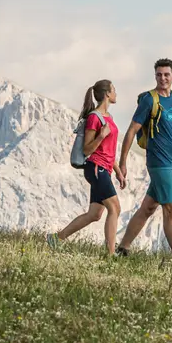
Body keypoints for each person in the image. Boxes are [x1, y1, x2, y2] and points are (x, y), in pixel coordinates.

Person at [115, 58, 172, 262]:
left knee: (149, 207)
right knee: (171, 209)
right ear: (155, 76)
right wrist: (122, 162)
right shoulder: (149, 100)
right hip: (158, 162)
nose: (163, 78)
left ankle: (123, 248)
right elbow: (131, 131)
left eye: (166, 75)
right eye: (159, 74)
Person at [47, 80, 125, 255]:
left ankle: (56, 239)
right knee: (115, 208)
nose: (116, 93)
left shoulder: (108, 118)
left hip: (105, 169)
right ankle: (111, 254)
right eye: (114, 90)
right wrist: (101, 136)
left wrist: (118, 172)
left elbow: (109, 150)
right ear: (107, 94)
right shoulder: (94, 118)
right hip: (96, 168)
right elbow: (87, 149)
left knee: (95, 214)